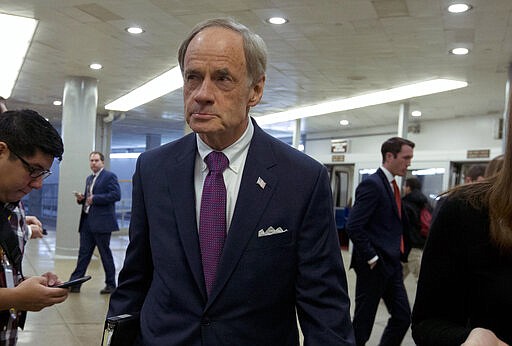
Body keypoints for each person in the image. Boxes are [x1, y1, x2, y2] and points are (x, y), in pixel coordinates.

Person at [107, 17, 355, 345]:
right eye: (192, 78)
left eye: (222, 79)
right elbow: (135, 280)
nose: (202, 94)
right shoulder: (154, 169)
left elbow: (324, 306)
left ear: (256, 90)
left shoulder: (301, 179)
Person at [411, 138, 512, 344]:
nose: (408, 163)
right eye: (406, 158)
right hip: (400, 253)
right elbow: (429, 319)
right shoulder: (466, 209)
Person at [0, 109, 68, 344]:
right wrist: (15, 297)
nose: (38, 185)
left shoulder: (14, 209)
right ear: (1, 151)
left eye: (43, 174)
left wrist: (29, 287)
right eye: (33, 170)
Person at [345, 136, 414, 346]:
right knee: (363, 325)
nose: (409, 163)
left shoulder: (392, 185)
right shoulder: (372, 185)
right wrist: (372, 257)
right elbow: (354, 225)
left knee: (403, 317)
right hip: (374, 266)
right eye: (406, 157)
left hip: (392, 265)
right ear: (389, 156)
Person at [68, 151, 121, 294]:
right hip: (87, 222)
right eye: (91, 160)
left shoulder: (109, 177)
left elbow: (116, 195)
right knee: (83, 254)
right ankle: (75, 283)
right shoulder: (89, 178)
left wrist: (95, 198)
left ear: (102, 162)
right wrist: (82, 199)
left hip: (102, 223)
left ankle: (111, 284)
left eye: (96, 160)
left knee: (105, 254)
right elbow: (89, 199)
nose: (93, 163)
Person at [401, 177, 430, 281]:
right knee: (396, 280)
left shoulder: (406, 204)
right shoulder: (425, 203)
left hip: (409, 247)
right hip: (420, 245)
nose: (404, 188)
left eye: (405, 186)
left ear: (409, 188)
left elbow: (404, 227)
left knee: (423, 280)